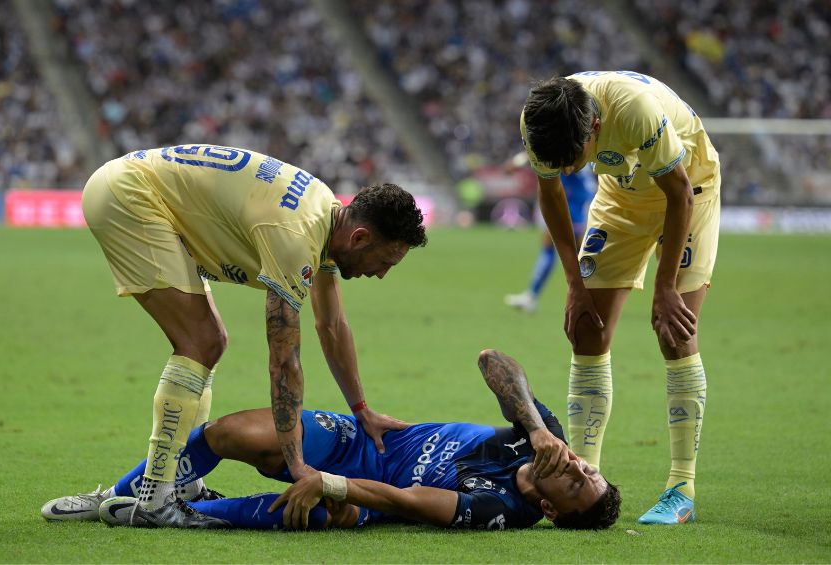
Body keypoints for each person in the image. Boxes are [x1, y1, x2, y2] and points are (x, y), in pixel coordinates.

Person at [78, 144, 427, 525]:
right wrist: (297, 465)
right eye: (384, 262)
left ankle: (179, 486)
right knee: (201, 342)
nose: (380, 274)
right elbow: (283, 361)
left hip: (137, 187)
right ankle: (156, 499)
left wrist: (362, 410)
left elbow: (332, 325)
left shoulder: (326, 214)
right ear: (359, 239)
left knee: (210, 342)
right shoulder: (295, 236)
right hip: (131, 196)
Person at [42, 349, 621, 531]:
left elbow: (403, 502)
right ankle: (131, 494)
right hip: (359, 440)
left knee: (327, 512)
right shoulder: (543, 441)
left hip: (366, 490)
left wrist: (330, 483)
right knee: (228, 431)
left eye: (577, 489)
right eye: (589, 473)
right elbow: (492, 360)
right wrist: (540, 426)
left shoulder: (502, 509)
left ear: (548, 508)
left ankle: (194, 513)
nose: (579, 472)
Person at [520, 71, 719, 524]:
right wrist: (573, 283)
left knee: (675, 332)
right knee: (587, 330)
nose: (570, 170)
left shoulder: (635, 111)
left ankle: (680, 487)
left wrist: (666, 288)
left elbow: (680, 192)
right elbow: (549, 192)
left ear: (593, 128)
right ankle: (587, 471)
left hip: (692, 190)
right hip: (621, 199)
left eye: (574, 160)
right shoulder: (539, 120)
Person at [504, 156, 596, 314]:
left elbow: (543, 152)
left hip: (574, 207)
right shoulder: (579, 150)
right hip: (577, 204)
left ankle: (591, 299)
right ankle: (533, 295)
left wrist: (517, 162)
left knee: (578, 256)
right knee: (574, 255)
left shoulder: (567, 151)